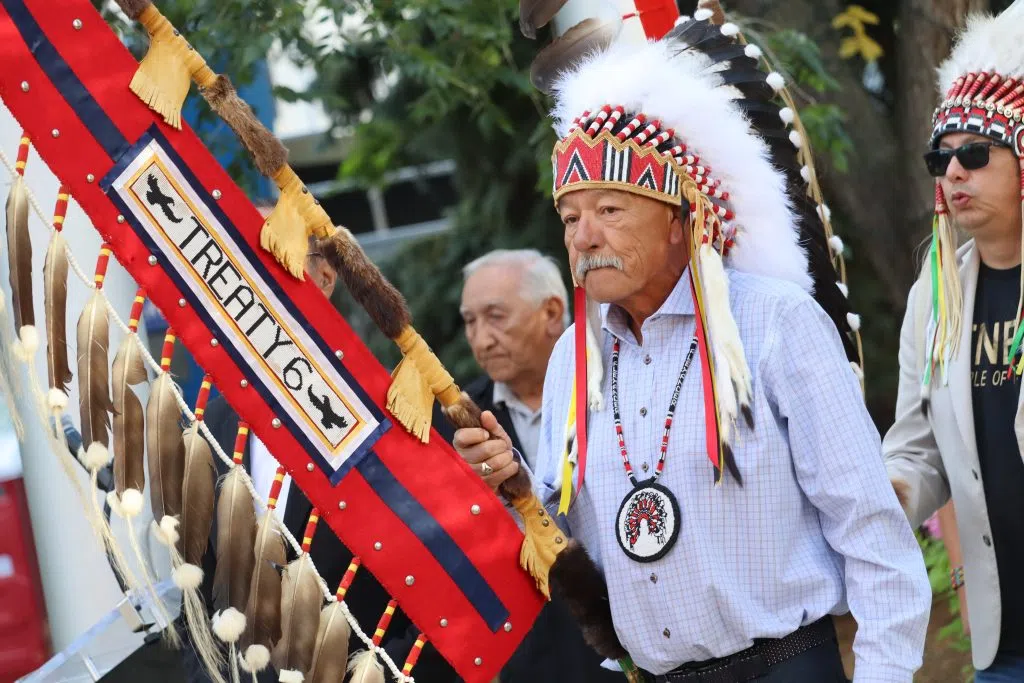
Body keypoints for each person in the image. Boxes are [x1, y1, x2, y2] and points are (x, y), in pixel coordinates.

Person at [452, 12, 931, 683]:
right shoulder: (572, 359)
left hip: (787, 665)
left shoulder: (774, 323)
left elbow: (871, 531)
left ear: (683, 220)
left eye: (611, 211)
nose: (584, 236)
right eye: (570, 217)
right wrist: (515, 487)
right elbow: (577, 547)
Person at [182, 240, 457, 683]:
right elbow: (197, 594)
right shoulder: (210, 422)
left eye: (264, 258)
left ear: (324, 277)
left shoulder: (399, 410)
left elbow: (450, 588)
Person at [884, 2, 1024, 679]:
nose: (953, 173)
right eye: (942, 157)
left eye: (976, 153)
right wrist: (888, 489)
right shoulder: (933, 298)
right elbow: (917, 447)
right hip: (1004, 641)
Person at [456, 248, 621, 683]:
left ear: (552, 312)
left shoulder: (617, 384)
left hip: (634, 639)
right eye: (470, 321)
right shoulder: (459, 426)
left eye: (495, 316)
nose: (481, 339)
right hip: (531, 658)